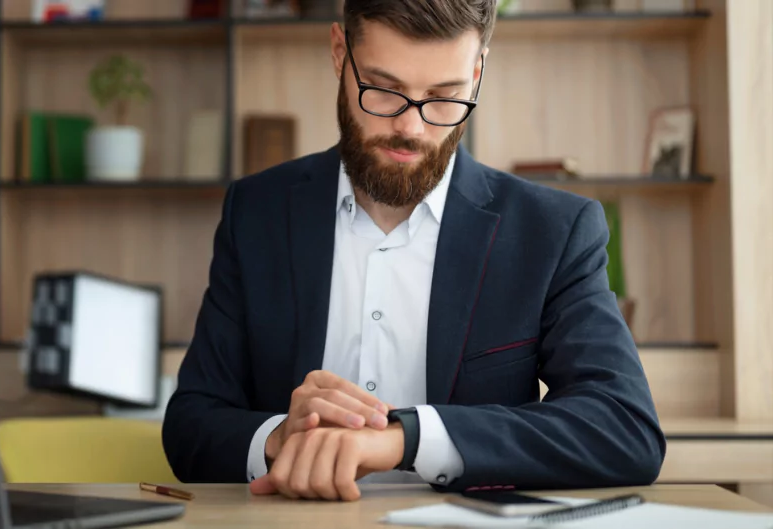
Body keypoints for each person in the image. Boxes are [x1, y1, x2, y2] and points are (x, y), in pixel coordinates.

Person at [162, 0, 665, 502]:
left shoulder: (552, 232)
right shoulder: (257, 212)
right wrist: (279, 439)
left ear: (477, 72)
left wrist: (407, 438)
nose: (412, 129)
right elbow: (191, 424)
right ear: (340, 54)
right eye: (384, 90)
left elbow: (624, 428)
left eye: (444, 97)